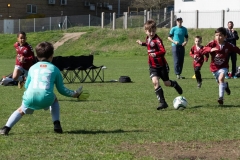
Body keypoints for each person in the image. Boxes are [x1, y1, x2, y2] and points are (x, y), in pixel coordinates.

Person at [0, 42, 82, 135]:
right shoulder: (55, 69)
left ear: (37, 56)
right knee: (54, 99)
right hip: (46, 98)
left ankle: (6, 128)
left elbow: (27, 86)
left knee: (21, 110)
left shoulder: (32, 68)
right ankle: (57, 124)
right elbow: (61, 89)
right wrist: (74, 94)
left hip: (30, 97)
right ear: (52, 56)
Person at [136, 19, 183, 110]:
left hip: (162, 66)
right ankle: (162, 102)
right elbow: (149, 44)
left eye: (153, 31)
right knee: (155, 82)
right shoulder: (148, 38)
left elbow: (163, 51)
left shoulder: (158, 40)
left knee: (166, 83)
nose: (151, 33)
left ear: (155, 30)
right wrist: (142, 44)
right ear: (146, 31)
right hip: (152, 66)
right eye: (149, 31)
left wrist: (155, 54)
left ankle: (174, 84)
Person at [204, 27, 240, 105]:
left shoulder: (228, 45)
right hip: (214, 67)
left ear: (225, 36)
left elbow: (237, 49)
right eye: (216, 35)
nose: (218, 37)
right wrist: (210, 50)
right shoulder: (212, 43)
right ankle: (225, 85)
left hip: (224, 66)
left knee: (221, 79)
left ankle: (221, 98)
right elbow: (204, 49)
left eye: (220, 35)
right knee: (220, 82)